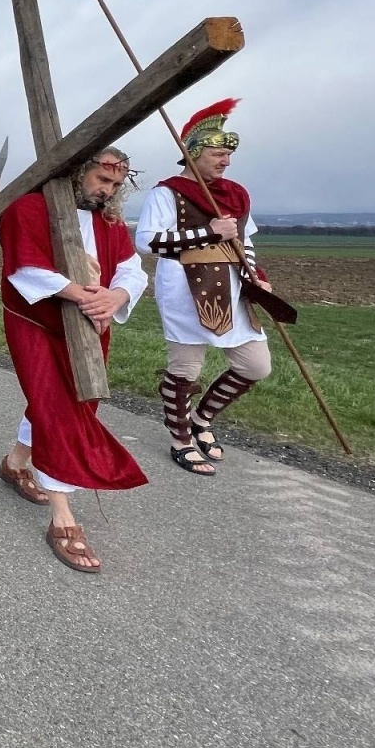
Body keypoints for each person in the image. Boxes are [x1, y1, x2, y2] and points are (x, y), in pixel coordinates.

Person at [0, 148, 149, 574]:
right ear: (78, 171)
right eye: (102, 180)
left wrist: (115, 296)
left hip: (90, 325)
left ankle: (14, 464)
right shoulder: (29, 208)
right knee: (56, 406)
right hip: (37, 320)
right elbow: (24, 267)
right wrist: (79, 293)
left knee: (70, 402)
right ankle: (62, 518)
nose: (108, 191)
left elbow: (132, 269)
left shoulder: (109, 221)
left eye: (116, 185)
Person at [137, 99, 273, 476]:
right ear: (193, 152)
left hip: (233, 287)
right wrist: (207, 232)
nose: (226, 161)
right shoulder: (168, 193)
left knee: (255, 365)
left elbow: (244, 241)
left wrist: (254, 274)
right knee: (186, 369)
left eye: (228, 154)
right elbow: (147, 242)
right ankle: (180, 438)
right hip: (185, 287)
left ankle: (201, 419)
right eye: (218, 153)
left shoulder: (237, 194)